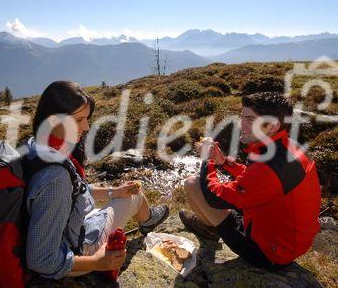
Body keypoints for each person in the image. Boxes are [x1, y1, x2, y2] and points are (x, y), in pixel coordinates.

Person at [25, 81, 169, 280]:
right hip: (75, 255)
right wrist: (99, 262)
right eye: (79, 120)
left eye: (87, 118)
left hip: (70, 230)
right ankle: (148, 220)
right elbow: (41, 259)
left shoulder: (39, 146)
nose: (86, 126)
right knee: (135, 198)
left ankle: (146, 218)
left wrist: (113, 190)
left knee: (124, 195)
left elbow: (76, 191)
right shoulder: (55, 178)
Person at [180, 92, 321, 269]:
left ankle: (209, 230)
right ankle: (212, 226)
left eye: (250, 119)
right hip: (286, 241)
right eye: (242, 117)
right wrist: (223, 162)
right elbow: (255, 179)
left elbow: (214, 198)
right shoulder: (286, 148)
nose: (242, 124)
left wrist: (206, 159)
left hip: (269, 254)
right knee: (206, 186)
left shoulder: (267, 167)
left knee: (193, 183)